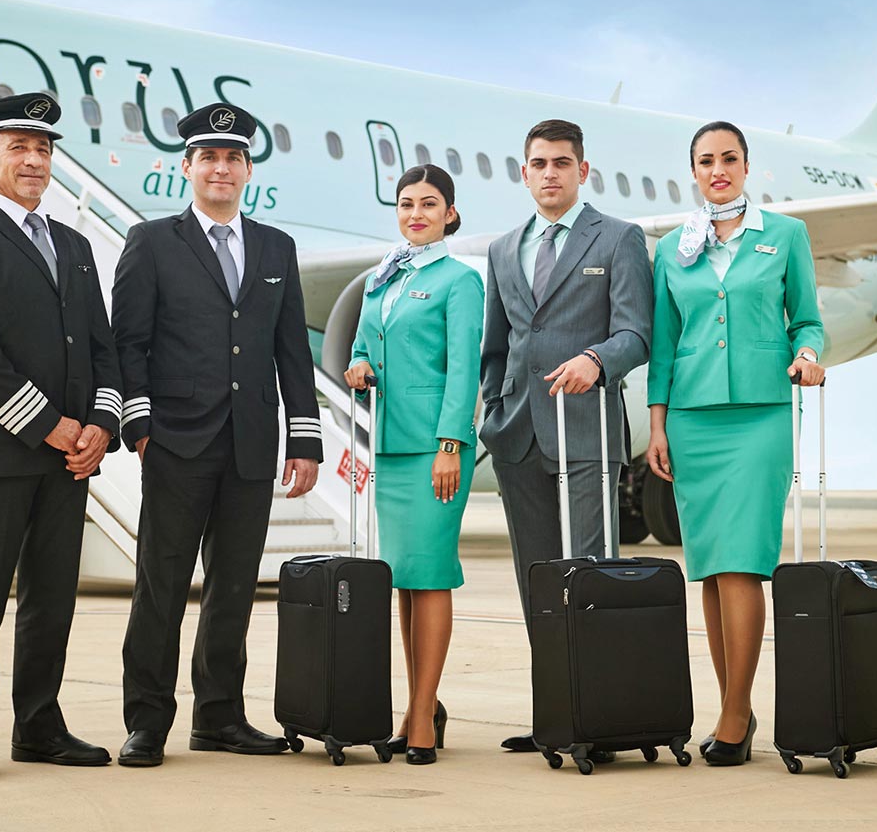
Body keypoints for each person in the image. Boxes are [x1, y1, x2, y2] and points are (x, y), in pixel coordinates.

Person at [113, 103, 322, 767]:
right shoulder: (152, 241)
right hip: (175, 440)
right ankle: (147, 722)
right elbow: (129, 341)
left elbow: (292, 350)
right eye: (209, 157)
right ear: (188, 167)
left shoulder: (276, 247)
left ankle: (220, 716)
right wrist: (139, 425)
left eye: (233, 158)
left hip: (250, 444)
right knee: (162, 587)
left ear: (248, 170)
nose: (221, 168)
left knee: (233, 588)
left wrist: (306, 439)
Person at [0, 92, 124, 782]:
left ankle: (38, 726)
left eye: (42, 149)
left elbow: (99, 348)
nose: (34, 160)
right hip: (3, 455)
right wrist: (53, 426)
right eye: (18, 148)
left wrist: (101, 425)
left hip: (69, 460)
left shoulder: (74, 246)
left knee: (51, 598)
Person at [645, 120, 825, 767]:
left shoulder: (786, 235)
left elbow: (807, 319)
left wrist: (808, 355)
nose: (717, 170)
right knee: (710, 568)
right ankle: (735, 709)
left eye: (728, 158)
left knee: (744, 562)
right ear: (693, 171)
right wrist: (657, 424)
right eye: (705, 160)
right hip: (692, 418)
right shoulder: (674, 248)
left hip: (760, 415)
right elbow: (664, 342)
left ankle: (733, 712)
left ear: (747, 166)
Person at [479, 118, 652, 756]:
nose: (549, 173)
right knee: (539, 583)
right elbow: (496, 346)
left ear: (583, 171)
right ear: (523, 173)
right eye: (538, 163)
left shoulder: (619, 238)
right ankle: (554, 717)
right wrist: (494, 411)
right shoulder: (503, 249)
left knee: (589, 575)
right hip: (518, 435)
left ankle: (595, 721)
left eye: (560, 163)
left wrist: (596, 360)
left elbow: (636, 334)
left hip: (586, 431)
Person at [344, 165, 483, 766]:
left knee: (429, 574)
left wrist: (451, 443)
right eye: (406, 203)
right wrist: (358, 365)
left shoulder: (460, 280)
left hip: (435, 448)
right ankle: (417, 705)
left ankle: (423, 714)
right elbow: (362, 344)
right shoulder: (383, 278)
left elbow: (465, 367)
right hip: (391, 447)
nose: (416, 214)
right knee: (404, 579)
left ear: (450, 214)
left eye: (429, 204)